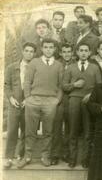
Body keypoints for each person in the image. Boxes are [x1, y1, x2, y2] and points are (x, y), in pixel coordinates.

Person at [17, 38, 63, 168]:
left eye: (51, 47)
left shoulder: (59, 65)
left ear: (55, 49)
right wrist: (28, 97)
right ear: (42, 49)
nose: (48, 50)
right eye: (46, 47)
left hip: (50, 102)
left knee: (48, 131)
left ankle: (45, 156)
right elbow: (27, 82)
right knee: (30, 130)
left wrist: (56, 100)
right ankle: (27, 156)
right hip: (33, 101)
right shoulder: (34, 63)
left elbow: (60, 85)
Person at [63, 42, 102, 168]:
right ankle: (72, 158)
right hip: (74, 100)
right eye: (81, 50)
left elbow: (100, 86)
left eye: (86, 50)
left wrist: (91, 95)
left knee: (87, 131)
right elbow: (64, 86)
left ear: (90, 53)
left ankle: (86, 159)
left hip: (88, 101)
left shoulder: (95, 68)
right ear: (77, 52)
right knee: (73, 130)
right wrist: (74, 85)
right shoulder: (71, 67)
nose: (84, 53)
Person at [3, 42, 36, 169]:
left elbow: (37, 85)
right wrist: (11, 98)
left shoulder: (35, 68)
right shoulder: (12, 67)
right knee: (12, 130)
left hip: (28, 102)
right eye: (27, 50)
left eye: (31, 51)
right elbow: (6, 85)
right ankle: (9, 157)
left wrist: (28, 99)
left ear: (34, 54)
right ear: (22, 51)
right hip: (14, 102)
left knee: (26, 130)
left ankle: (20, 156)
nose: (29, 53)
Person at [50, 43, 74, 165]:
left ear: (72, 52)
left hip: (71, 99)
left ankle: (67, 153)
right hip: (58, 100)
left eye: (69, 51)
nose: (67, 54)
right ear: (60, 53)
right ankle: (55, 154)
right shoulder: (56, 64)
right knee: (56, 127)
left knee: (70, 128)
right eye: (64, 52)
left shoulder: (76, 64)